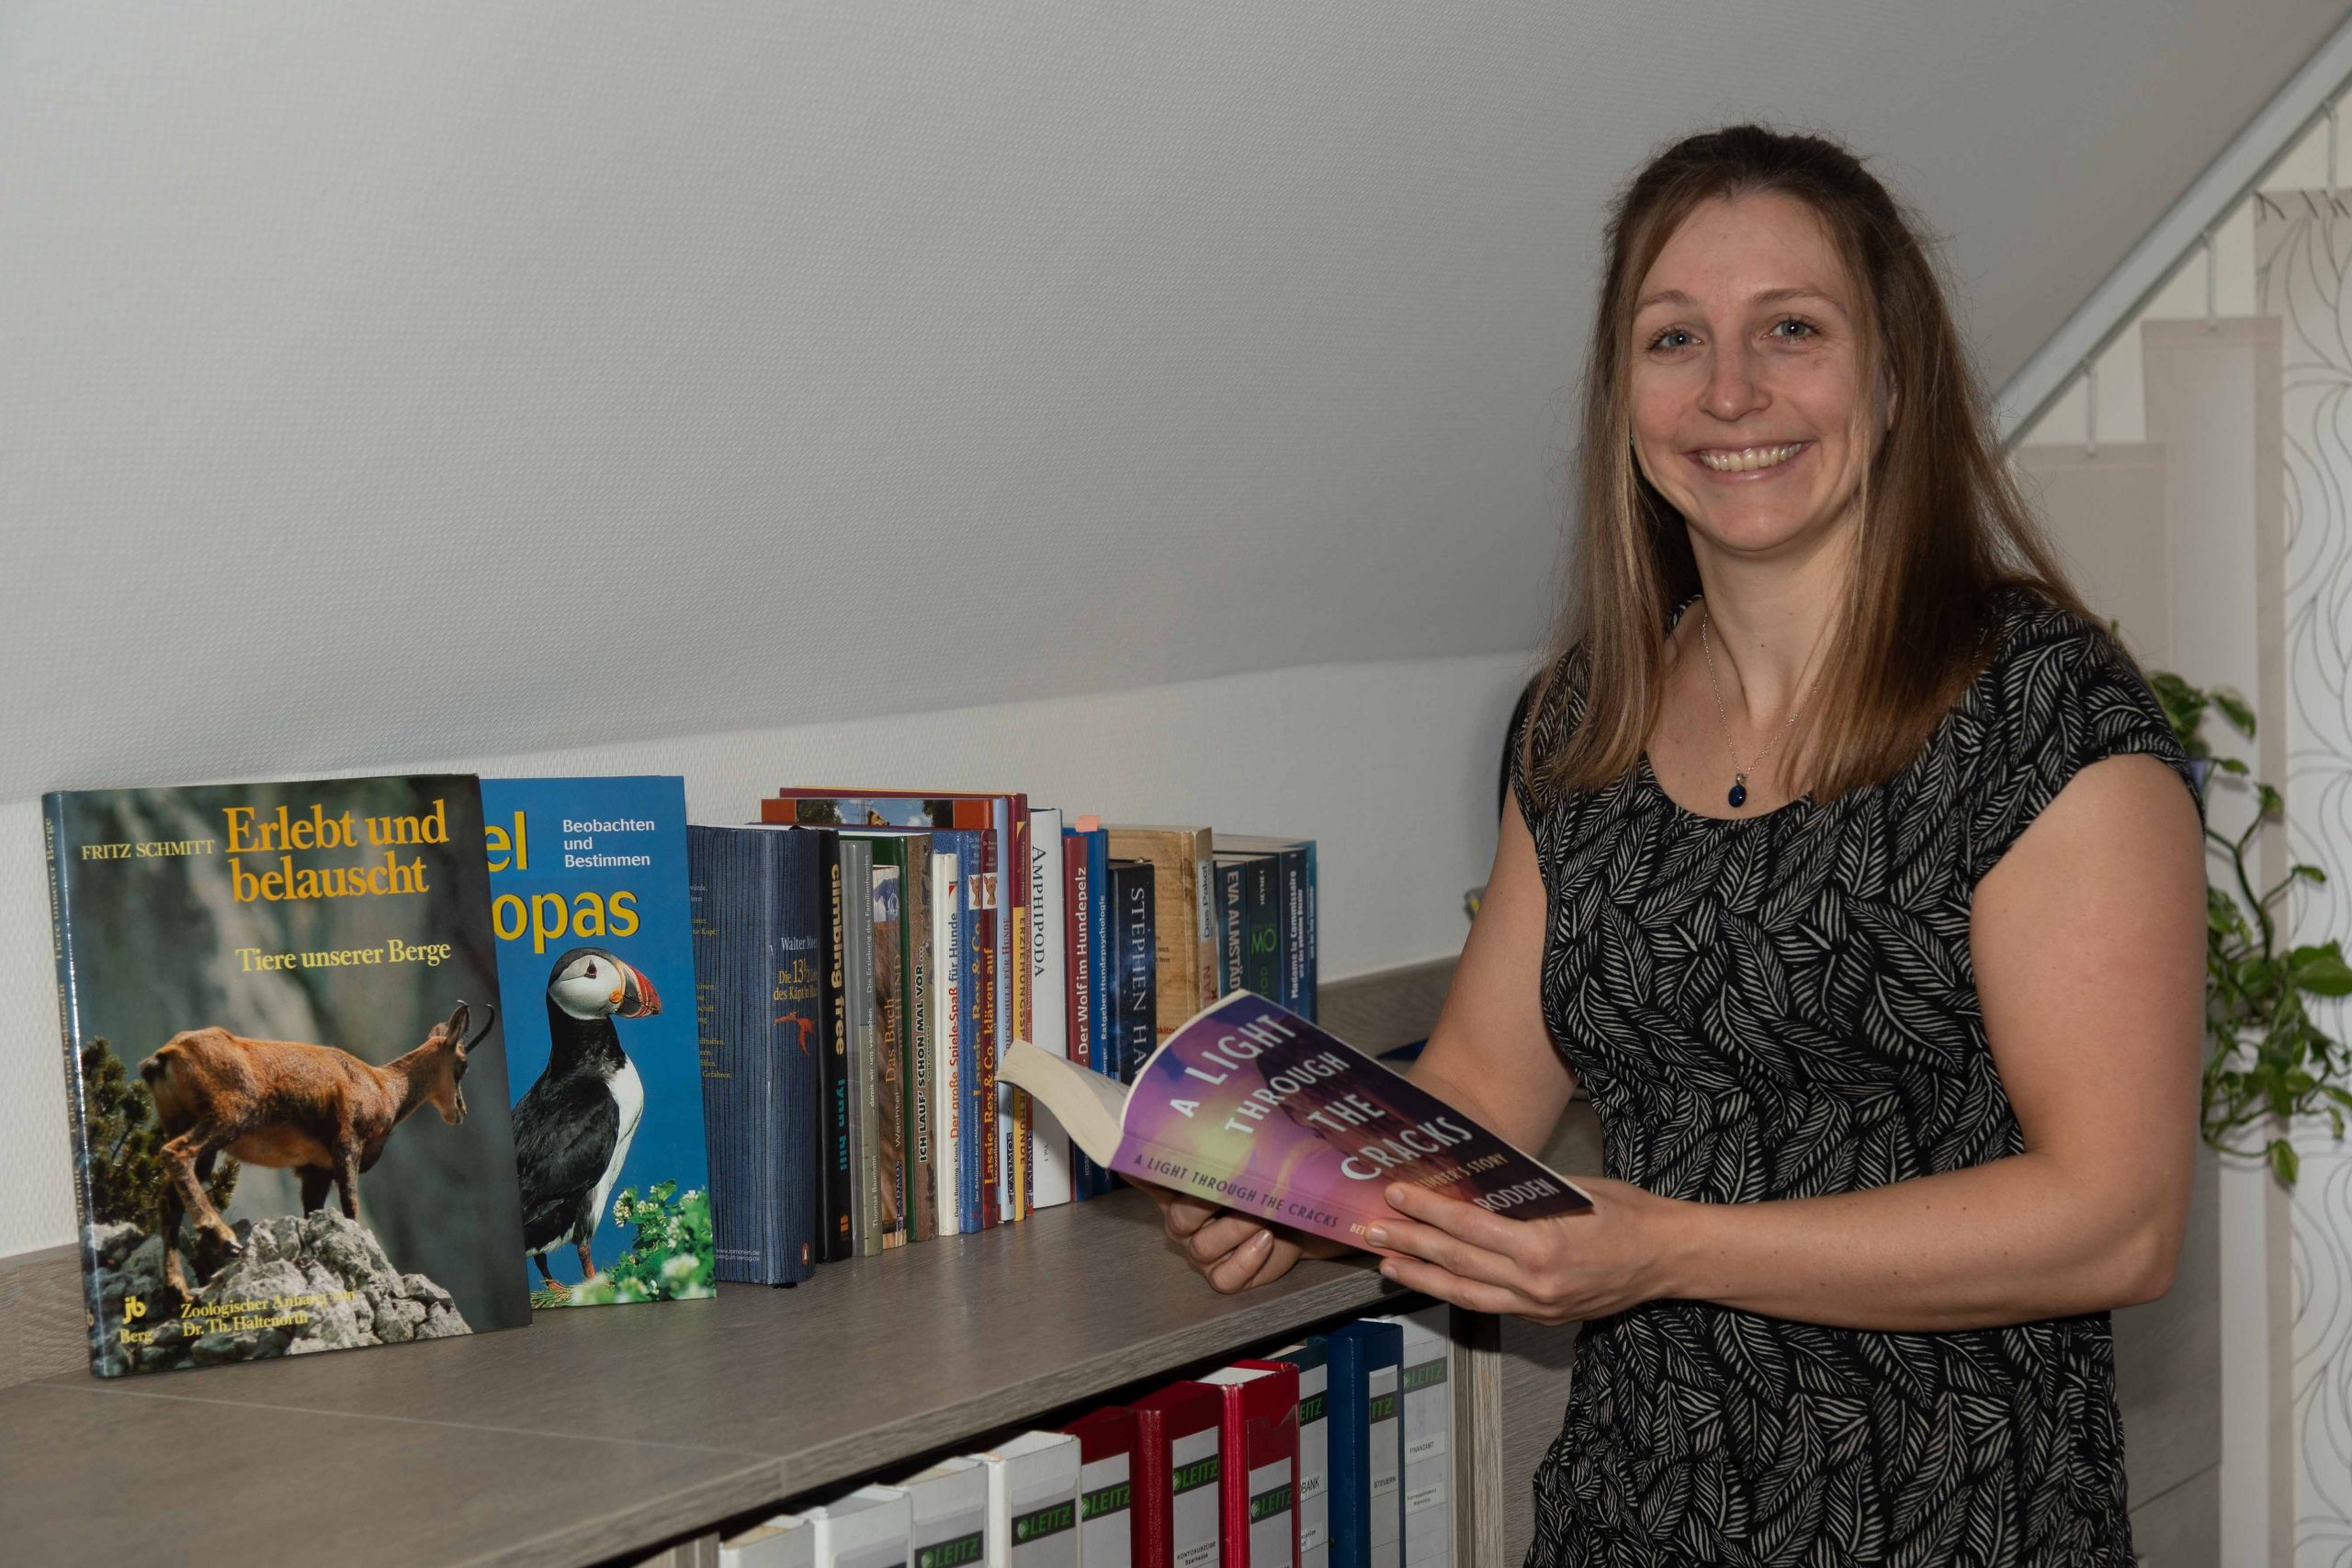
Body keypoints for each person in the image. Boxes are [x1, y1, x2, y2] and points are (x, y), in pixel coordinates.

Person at [1148, 122, 2207, 1565]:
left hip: (1963, 1519)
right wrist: (1286, 1185)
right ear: (1621, 394)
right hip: (1635, 1517)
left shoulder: (2044, 716)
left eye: (1791, 330)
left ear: (1892, 379)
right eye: (1673, 339)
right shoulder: (1585, 716)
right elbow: (1480, 1098)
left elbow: (2115, 1221)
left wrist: (1673, 1246)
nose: (1730, 392)